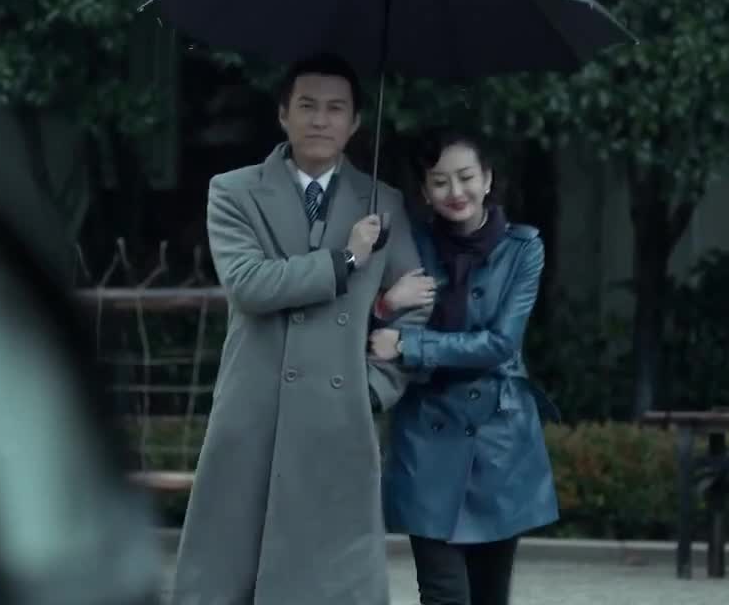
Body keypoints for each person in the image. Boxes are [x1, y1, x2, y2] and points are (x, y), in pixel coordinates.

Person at [172, 53, 424, 605]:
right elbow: (249, 284)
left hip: (340, 419)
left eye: (336, 108)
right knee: (230, 576)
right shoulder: (233, 191)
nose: (320, 119)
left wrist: (373, 388)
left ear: (355, 123)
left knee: (334, 583)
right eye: (307, 106)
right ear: (283, 114)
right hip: (254, 411)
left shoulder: (383, 202)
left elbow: (417, 301)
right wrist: (346, 260)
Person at [369, 130, 559, 605]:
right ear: (424, 191)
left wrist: (410, 345)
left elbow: (500, 343)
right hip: (425, 439)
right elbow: (369, 326)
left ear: (487, 179)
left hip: (498, 441)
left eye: (466, 177)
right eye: (440, 182)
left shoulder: (523, 248)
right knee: (444, 594)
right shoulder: (409, 245)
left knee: (490, 595)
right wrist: (387, 304)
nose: (455, 192)